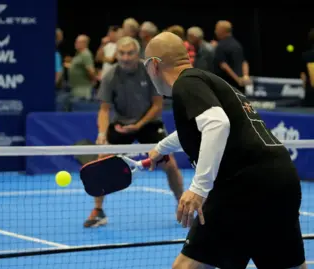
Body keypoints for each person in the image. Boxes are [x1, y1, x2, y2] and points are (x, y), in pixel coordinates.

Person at [143, 32, 306, 269]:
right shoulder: (209, 80)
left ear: (155, 65)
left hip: (241, 186)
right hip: (281, 182)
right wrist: (160, 148)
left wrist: (199, 189)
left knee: (187, 266)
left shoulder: (185, 83)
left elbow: (217, 124)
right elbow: (201, 126)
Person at [83, 36, 184, 228]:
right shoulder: (110, 75)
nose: (126, 57)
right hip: (121, 124)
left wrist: (138, 126)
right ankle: (98, 211)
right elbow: (104, 110)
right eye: (122, 53)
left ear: (137, 54)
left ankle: (182, 204)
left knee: (169, 163)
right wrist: (102, 134)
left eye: (130, 53)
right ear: (117, 54)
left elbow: (157, 106)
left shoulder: (150, 72)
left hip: (149, 123)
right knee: (101, 161)